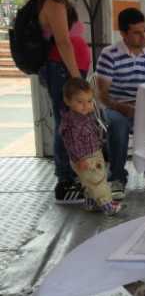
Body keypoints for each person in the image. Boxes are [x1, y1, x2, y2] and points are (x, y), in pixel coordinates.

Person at [96, 8, 145, 199]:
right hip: (116, 105)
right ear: (123, 34)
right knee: (118, 123)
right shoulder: (109, 54)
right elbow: (102, 95)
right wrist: (123, 108)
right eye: (137, 33)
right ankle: (117, 177)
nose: (143, 36)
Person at [37, 0, 91, 204]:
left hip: (65, 70)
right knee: (64, 124)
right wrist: (76, 77)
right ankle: (64, 182)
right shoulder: (54, 3)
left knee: (69, 123)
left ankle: (70, 177)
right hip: (62, 71)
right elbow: (62, 42)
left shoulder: (60, 2)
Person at [59, 78, 121, 215]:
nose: (85, 105)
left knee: (89, 181)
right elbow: (72, 144)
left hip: (93, 153)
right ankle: (107, 205)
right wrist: (80, 160)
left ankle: (90, 203)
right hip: (85, 158)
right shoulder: (72, 124)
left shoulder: (84, 115)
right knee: (97, 181)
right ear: (67, 101)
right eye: (79, 102)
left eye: (89, 101)